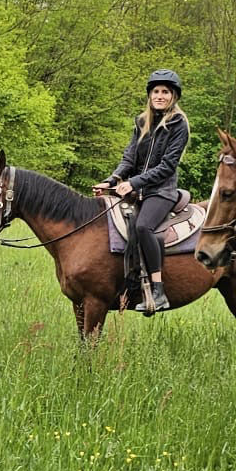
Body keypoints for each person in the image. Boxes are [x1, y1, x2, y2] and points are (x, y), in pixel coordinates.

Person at [94, 70, 190, 313]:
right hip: (138, 189)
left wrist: (134, 183)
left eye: (165, 92)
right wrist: (112, 180)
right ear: (149, 95)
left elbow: (167, 166)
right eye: (156, 91)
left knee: (142, 226)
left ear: (174, 96)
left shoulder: (179, 125)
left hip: (162, 191)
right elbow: (129, 158)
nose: (159, 96)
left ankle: (158, 292)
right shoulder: (141, 122)